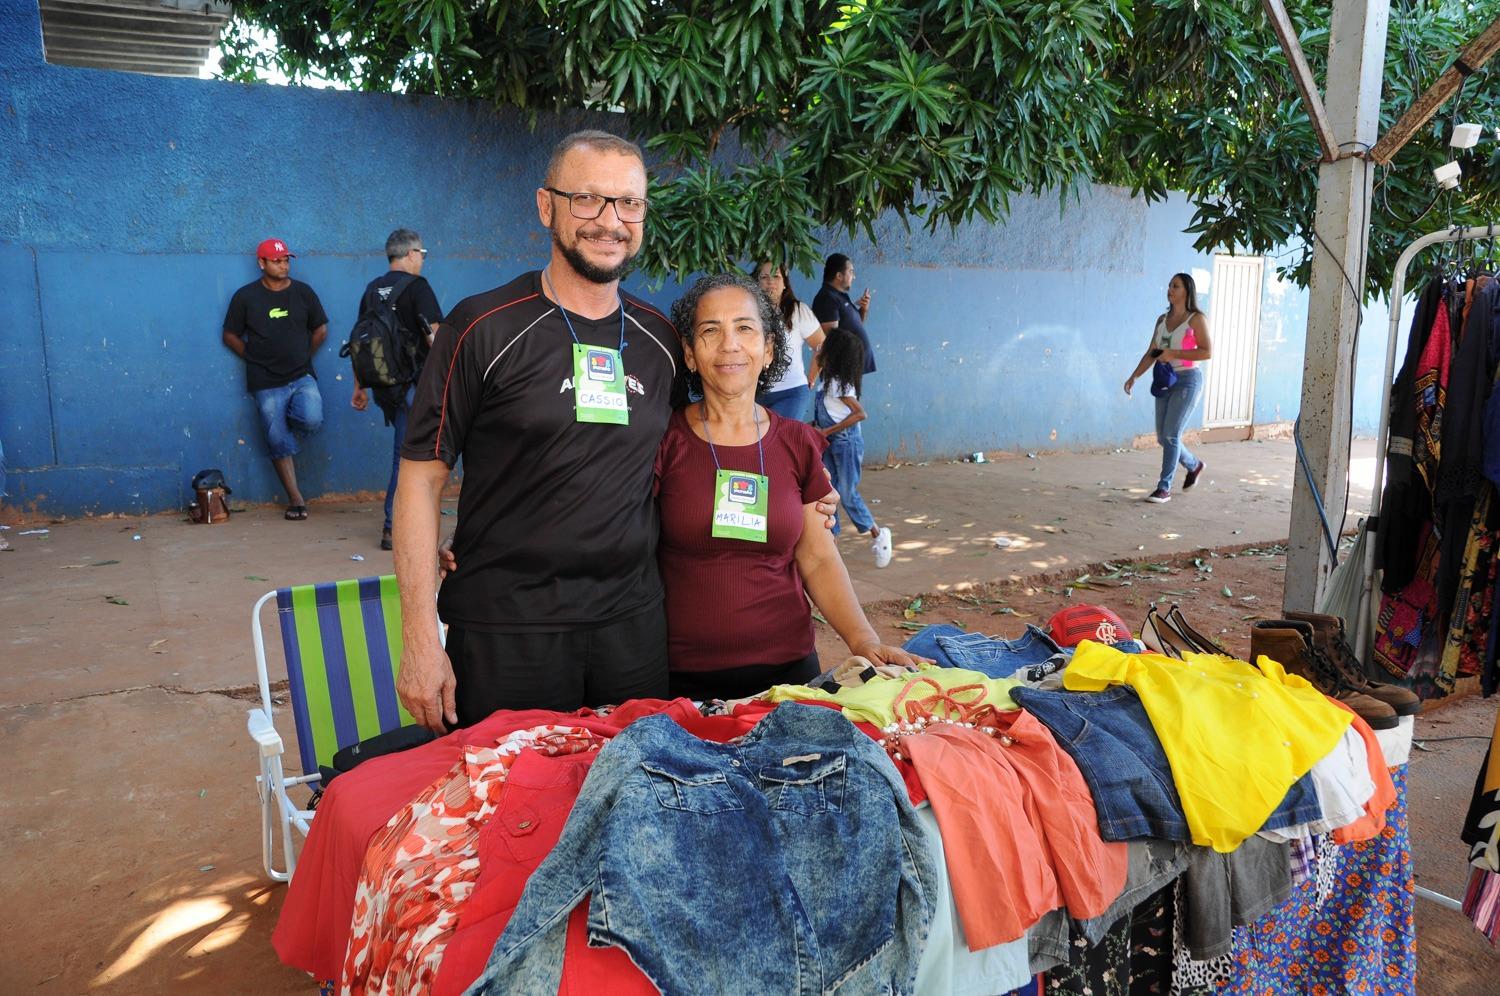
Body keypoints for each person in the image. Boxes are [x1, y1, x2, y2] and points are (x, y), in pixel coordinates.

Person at [394, 130, 839, 733]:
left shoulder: (660, 342)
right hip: (508, 629)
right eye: (587, 199)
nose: (610, 221)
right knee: (513, 788)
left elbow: (701, 442)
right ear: (546, 206)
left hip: (634, 632)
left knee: (632, 788)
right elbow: (419, 481)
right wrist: (421, 638)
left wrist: (799, 491)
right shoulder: (481, 327)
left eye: (629, 203)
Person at [657, 273, 920, 700]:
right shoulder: (662, 441)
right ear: (689, 353)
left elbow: (818, 557)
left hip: (788, 678)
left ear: (768, 350)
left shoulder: (797, 442)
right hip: (681, 682)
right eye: (711, 330)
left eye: (745, 328)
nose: (729, 344)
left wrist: (864, 640)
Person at [350, 228, 445, 550]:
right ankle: (394, 526)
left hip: (384, 388)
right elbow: (436, 338)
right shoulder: (417, 287)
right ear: (411, 253)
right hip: (414, 386)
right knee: (410, 459)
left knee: (405, 454)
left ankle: (402, 522)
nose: (422, 260)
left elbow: (360, 342)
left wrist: (359, 387)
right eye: (422, 253)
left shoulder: (372, 289)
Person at [222, 238, 329, 520]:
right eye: (277, 261)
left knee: (312, 418)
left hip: (301, 375)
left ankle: (286, 423)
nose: (284, 265)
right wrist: (253, 357)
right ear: (262, 263)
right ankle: (296, 500)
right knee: (277, 440)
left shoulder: (303, 293)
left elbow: (320, 329)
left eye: (286, 260)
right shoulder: (245, 297)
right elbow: (230, 335)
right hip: (265, 381)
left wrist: (304, 357)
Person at [1123, 272, 1213, 503]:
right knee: (1164, 438)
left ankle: (1164, 488)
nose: (1170, 290)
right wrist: (1134, 376)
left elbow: (1207, 351)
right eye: (1170, 285)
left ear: (1187, 291)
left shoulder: (1196, 319)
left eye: (1176, 286)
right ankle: (1194, 465)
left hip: (1188, 380)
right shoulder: (1162, 320)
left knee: (1172, 434)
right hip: (1164, 379)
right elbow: (1152, 352)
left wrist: (1174, 353)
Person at [814, 327, 893, 568]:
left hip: (846, 443)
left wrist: (826, 431)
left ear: (834, 353)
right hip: (831, 442)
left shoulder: (840, 384)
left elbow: (860, 414)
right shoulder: (827, 380)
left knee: (847, 494)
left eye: (826, 346)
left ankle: (879, 535)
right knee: (828, 490)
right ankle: (832, 543)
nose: (821, 348)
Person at [752, 261, 825, 420]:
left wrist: (810, 380)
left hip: (790, 393)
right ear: (757, 283)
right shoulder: (748, 312)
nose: (770, 281)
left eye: (776, 276)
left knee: (781, 435)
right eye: (764, 277)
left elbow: (822, 346)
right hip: (754, 394)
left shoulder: (797, 311)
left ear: (785, 283)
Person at [811, 252, 877, 374]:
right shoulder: (827, 298)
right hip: (841, 372)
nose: (854, 276)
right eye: (851, 272)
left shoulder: (840, 297)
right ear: (839, 276)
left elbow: (856, 327)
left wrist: (864, 309)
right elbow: (832, 340)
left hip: (850, 370)